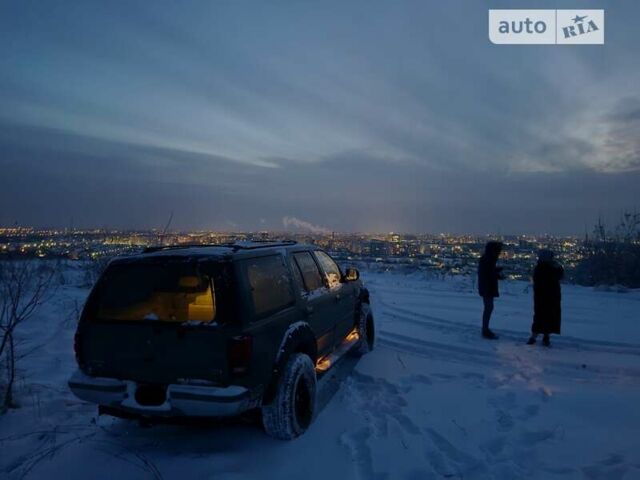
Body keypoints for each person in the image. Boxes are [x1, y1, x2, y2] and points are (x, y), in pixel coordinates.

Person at [527, 249, 564, 347]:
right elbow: (559, 276)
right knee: (548, 316)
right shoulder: (552, 267)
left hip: (542, 296)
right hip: (550, 296)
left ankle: (535, 336)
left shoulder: (539, 267)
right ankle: (544, 336)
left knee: (540, 316)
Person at [478, 241, 504, 339]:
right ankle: (485, 330)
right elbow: (488, 274)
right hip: (487, 288)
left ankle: (485, 329)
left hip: (487, 287)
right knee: (488, 308)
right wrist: (497, 274)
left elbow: (488, 272)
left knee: (488, 308)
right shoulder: (488, 259)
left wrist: (496, 271)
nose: (499, 252)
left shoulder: (487, 258)